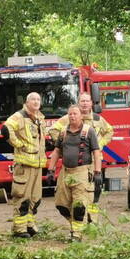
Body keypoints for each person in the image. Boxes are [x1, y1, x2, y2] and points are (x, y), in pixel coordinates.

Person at [48, 92, 112, 221]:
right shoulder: (69, 117)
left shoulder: (98, 119)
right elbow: (53, 130)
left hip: (94, 161)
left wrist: (99, 144)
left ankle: (92, 220)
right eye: (82, 101)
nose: (84, 103)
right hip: (78, 164)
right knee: (76, 195)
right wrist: (65, 144)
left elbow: (109, 131)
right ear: (78, 103)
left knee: (95, 192)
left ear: (91, 103)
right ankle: (78, 218)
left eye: (87, 101)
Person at [48, 105, 101, 241]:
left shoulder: (89, 131)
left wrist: (97, 172)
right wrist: (51, 170)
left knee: (79, 206)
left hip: (82, 173)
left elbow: (96, 152)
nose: (72, 116)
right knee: (61, 205)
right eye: (70, 114)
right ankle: (78, 225)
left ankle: (76, 234)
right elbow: (56, 152)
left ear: (81, 116)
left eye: (75, 114)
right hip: (65, 173)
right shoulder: (63, 132)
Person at [3, 92, 46, 238]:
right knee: (22, 197)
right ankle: (19, 229)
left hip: (37, 165)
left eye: (38, 99)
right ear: (27, 102)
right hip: (24, 166)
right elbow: (6, 129)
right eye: (33, 99)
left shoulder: (39, 118)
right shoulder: (20, 116)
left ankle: (29, 224)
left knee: (35, 198)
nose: (36, 101)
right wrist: (19, 144)